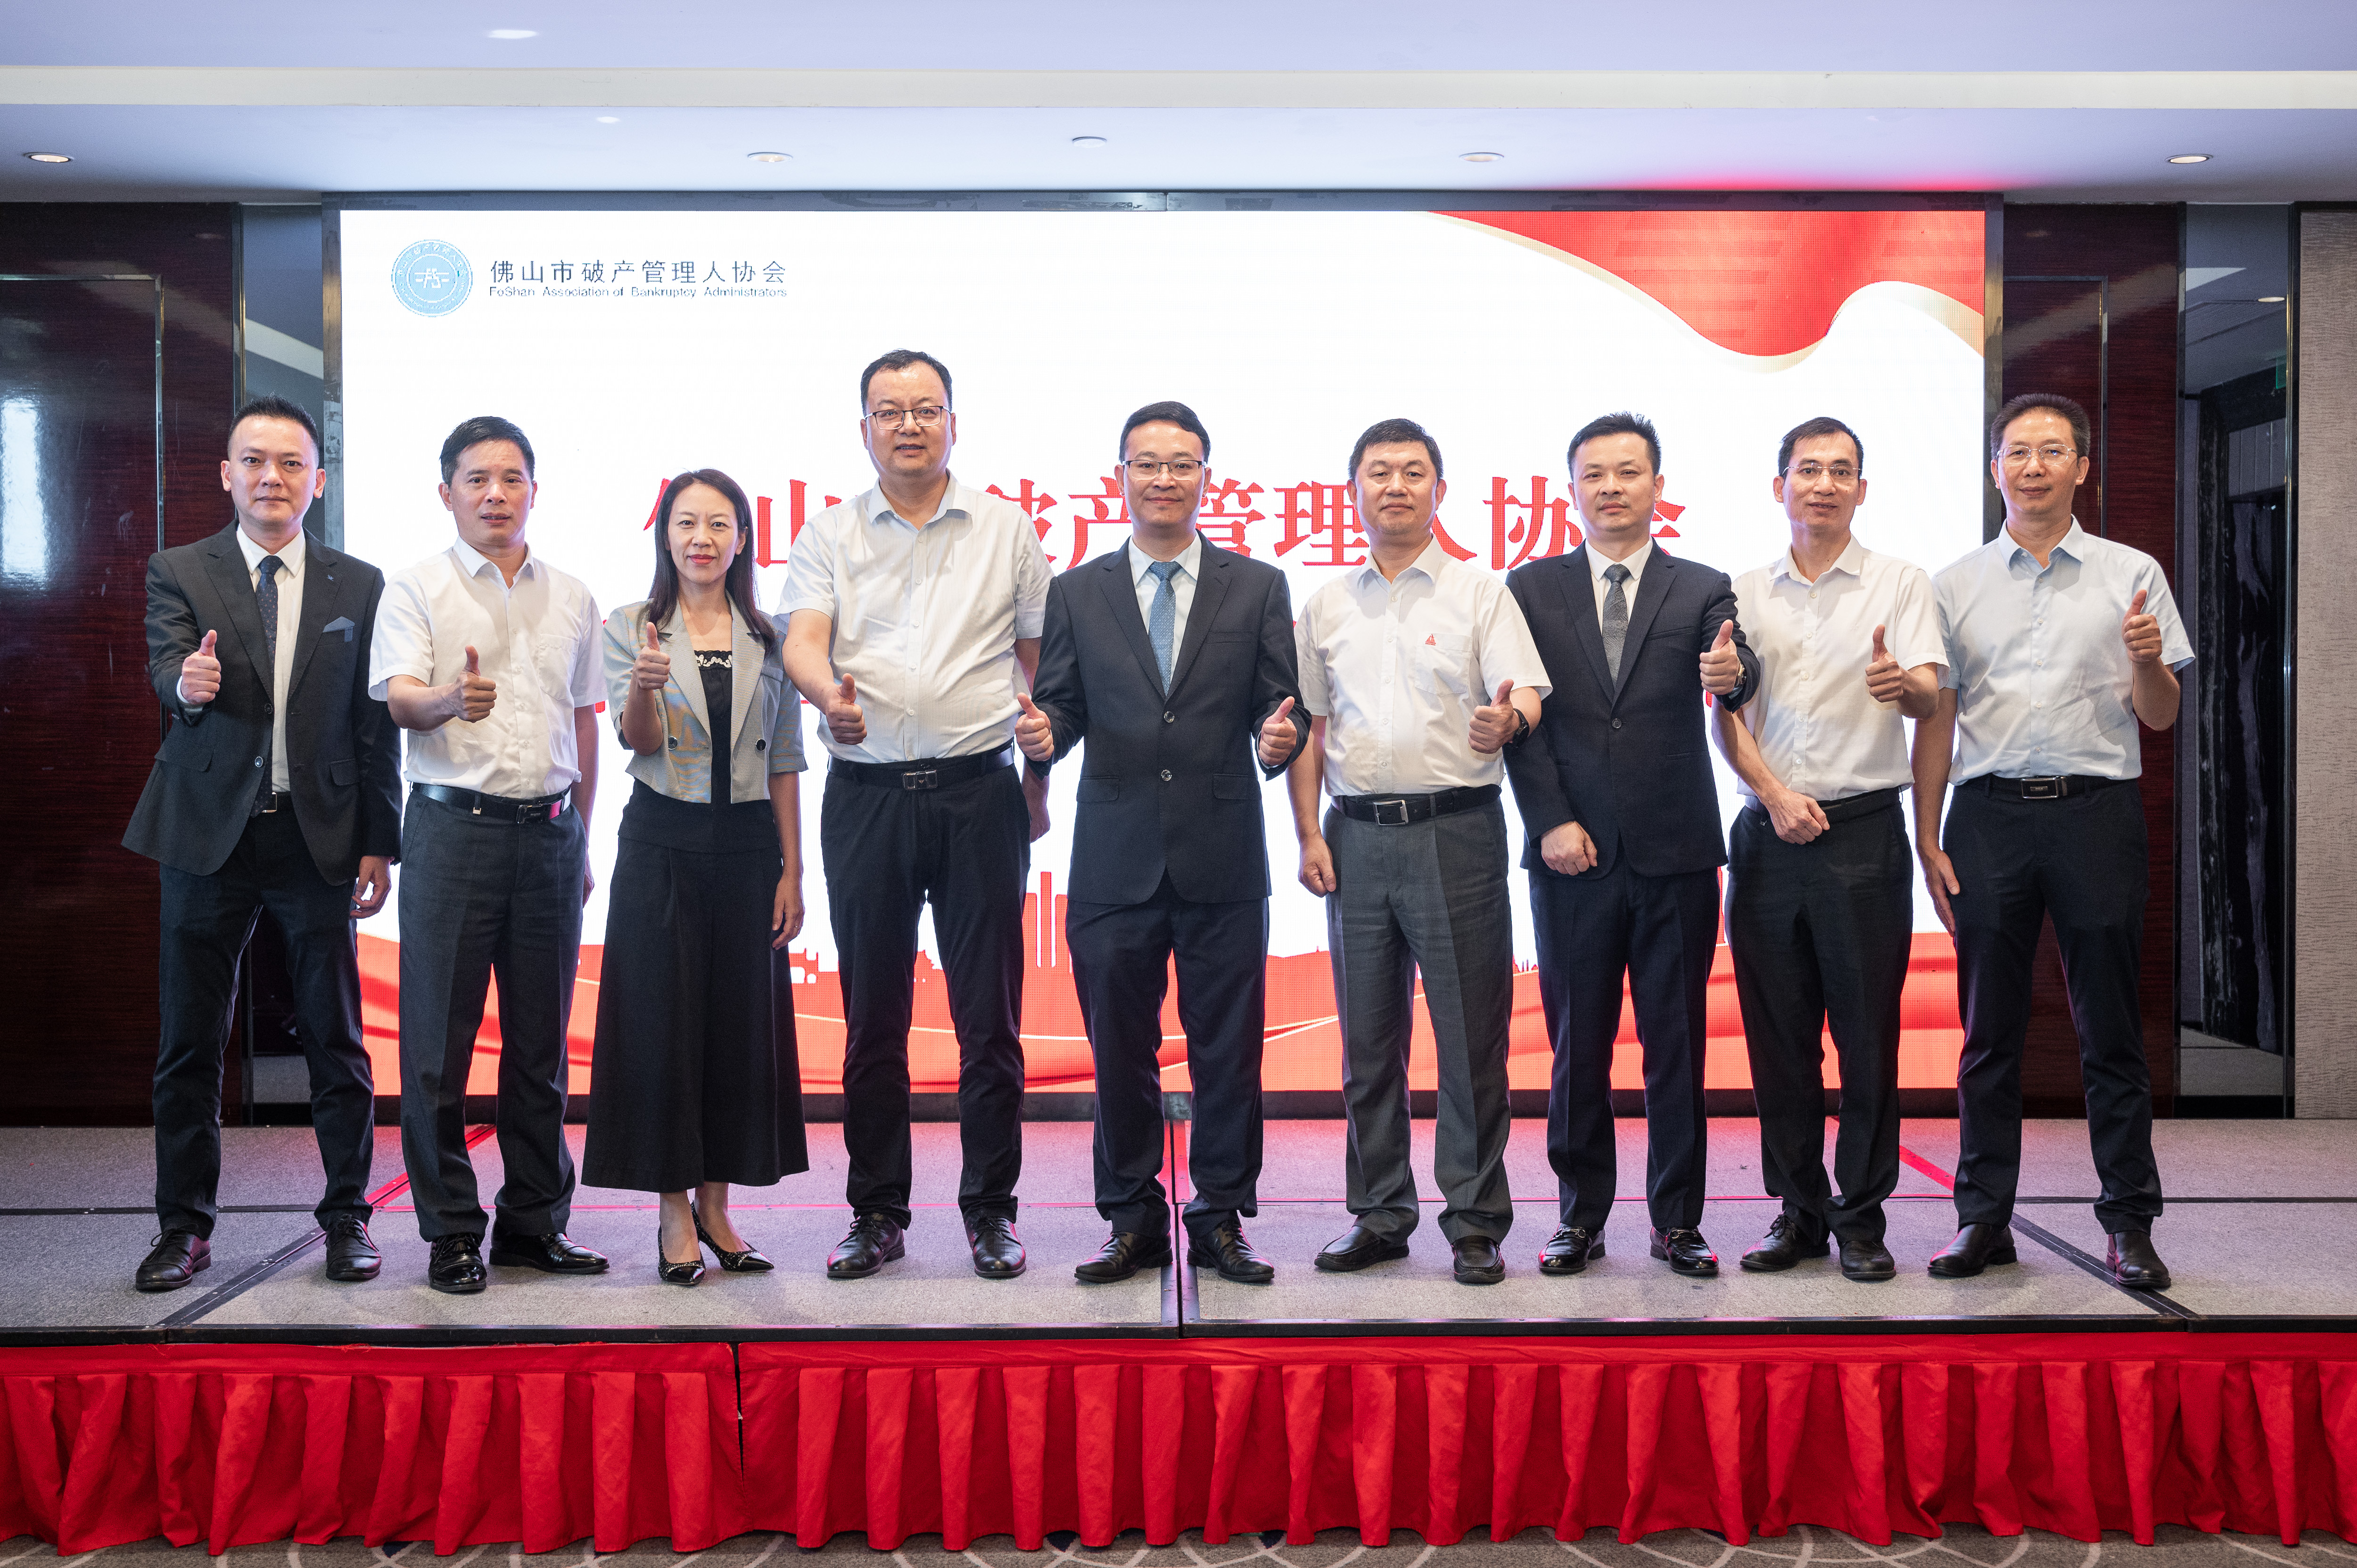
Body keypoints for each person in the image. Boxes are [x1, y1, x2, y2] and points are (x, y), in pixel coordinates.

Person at [779, 349, 1052, 1281]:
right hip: (868, 798)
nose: (908, 425)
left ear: (952, 424)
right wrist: (827, 696)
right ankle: (876, 1211)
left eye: (925, 409)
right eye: (889, 411)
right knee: (873, 1022)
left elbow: (1038, 667)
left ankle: (992, 1211)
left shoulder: (1006, 530)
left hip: (979, 795)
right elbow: (804, 641)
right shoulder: (829, 533)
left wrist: (1040, 775)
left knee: (990, 1021)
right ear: (864, 429)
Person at [1017, 401, 1304, 1286]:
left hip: (1223, 856)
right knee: (1120, 1052)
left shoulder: (1257, 586)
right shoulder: (1078, 591)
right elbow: (1061, 706)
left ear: (1207, 478)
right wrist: (1044, 737)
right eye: (1147, 464)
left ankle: (1221, 1217)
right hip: (1115, 860)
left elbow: (1278, 703)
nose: (1164, 479)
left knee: (1229, 1052)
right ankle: (1132, 1218)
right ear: (1121, 478)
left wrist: (1279, 740)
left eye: (1182, 464)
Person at [122, 395, 401, 1291]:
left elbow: (373, 726)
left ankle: (348, 1217)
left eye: (290, 463)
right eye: (253, 460)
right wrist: (186, 684)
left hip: (316, 837)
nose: (271, 477)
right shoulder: (179, 568)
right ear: (226, 474)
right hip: (206, 835)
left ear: (317, 480)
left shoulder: (359, 584)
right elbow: (166, 669)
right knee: (190, 1042)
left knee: (336, 1039)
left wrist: (379, 840)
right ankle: (183, 1227)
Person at [1916, 392, 2191, 1289]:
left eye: (2052, 451)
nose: (2033, 466)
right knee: (1987, 1034)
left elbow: (2161, 716)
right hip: (1988, 817)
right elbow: (1938, 720)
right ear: (1995, 468)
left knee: (2109, 1029)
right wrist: (1927, 835)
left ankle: (2130, 1224)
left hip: (2095, 816)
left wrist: (2146, 660)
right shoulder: (1954, 584)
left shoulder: (2131, 573)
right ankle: (1982, 1220)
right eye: (2017, 452)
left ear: (2082, 468)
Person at [1287, 418, 1548, 1287]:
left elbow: (1527, 692)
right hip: (1355, 839)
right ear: (1352, 490)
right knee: (1369, 1044)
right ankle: (1380, 1213)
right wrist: (1308, 833)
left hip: (1457, 832)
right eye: (1378, 473)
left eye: (1412, 472)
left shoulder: (1480, 594)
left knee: (1471, 1041)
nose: (1395, 486)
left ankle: (1474, 1221)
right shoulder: (1326, 605)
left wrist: (1508, 720)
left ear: (1440, 490)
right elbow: (1309, 729)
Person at [1504, 411, 1758, 1279]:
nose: (1611, 488)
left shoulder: (1702, 586)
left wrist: (1733, 675)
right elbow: (1518, 719)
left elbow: (1737, 665)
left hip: (1675, 856)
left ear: (1658, 485)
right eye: (1595, 474)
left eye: (1628, 472)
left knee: (1676, 1047)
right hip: (1570, 854)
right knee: (1577, 1048)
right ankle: (1579, 1218)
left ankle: (1678, 1221)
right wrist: (1550, 821)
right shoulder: (1529, 589)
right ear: (1571, 489)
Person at [369, 415, 607, 1294]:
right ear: (447, 493)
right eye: (477, 479)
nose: (496, 495)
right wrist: (447, 701)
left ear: (535, 491)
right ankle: (451, 1233)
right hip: (452, 833)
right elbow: (399, 701)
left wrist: (583, 836)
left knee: (541, 1049)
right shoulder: (415, 588)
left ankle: (535, 1225)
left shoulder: (573, 595)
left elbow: (584, 723)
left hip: (551, 837)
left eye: (512, 479)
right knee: (438, 1048)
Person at [1710, 417, 1943, 1284]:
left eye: (1842, 471)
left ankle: (1862, 1218)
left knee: (1867, 1038)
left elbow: (1928, 695)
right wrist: (1774, 798)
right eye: (1808, 470)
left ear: (1862, 489)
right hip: (1767, 836)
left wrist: (1902, 685)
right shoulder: (1740, 592)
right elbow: (1725, 718)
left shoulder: (1901, 583)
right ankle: (1799, 1212)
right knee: (1778, 1040)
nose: (1824, 485)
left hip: (1863, 837)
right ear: (1780, 487)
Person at [585, 468, 810, 1285]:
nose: (702, 538)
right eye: (686, 523)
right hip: (662, 842)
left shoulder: (772, 636)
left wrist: (793, 869)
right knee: (663, 1028)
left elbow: (786, 760)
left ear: (743, 539)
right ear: (666, 535)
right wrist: (644, 689)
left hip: (749, 848)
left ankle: (717, 1208)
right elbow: (637, 742)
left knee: (736, 1030)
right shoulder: (631, 626)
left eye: (719, 524)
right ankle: (673, 1212)